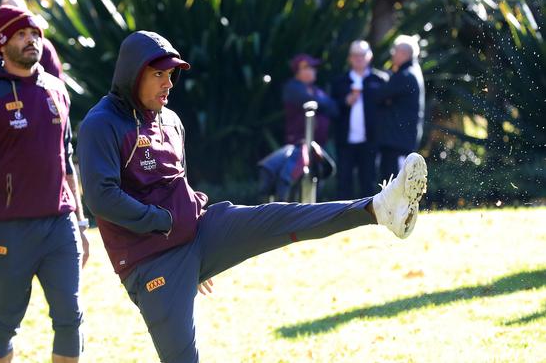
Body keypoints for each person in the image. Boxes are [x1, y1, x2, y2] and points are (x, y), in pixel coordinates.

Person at [77, 30, 428, 363]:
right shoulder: (102, 123)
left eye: (172, 74)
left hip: (198, 234)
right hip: (152, 260)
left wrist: (193, 241)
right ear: (134, 74)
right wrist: (163, 222)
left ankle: (379, 209)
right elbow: (101, 196)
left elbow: (176, 180)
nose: (169, 83)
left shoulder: (170, 120)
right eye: (160, 74)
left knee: (280, 217)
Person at [0, 5, 88, 363]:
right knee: (3, 325)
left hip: (60, 225)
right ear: (3, 42)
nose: (32, 41)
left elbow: (67, 157)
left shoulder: (56, 89)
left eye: (36, 35)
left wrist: (81, 221)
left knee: (70, 318)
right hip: (7, 230)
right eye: (22, 35)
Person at [332, 40, 388, 199]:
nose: (358, 59)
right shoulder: (340, 82)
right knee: (344, 181)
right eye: (355, 55)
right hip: (345, 141)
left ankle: (369, 217)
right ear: (349, 58)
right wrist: (345, 101)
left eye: (362, 55)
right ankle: (343, 218)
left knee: (369, 181)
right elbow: (331, 108)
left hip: (371, 140)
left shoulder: (380, 80)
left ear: (369, 56)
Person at [376, 34, 425, 181]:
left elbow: (379, 96)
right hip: (401, 138)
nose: (392, 55)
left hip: (397, 141)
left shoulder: (405, 75)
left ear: (403, 53)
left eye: (394, 51)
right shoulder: (412, 72)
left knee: (395, 182)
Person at [0, 0, 63, 79]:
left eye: (18, 11)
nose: (30, 40)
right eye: (8, 13)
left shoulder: (43, 46)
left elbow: (56, 79)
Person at [282, 53, 338, 147]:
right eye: (307, 67)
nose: (312, 70)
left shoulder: (316, 89)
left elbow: (334, 109)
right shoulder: (292, 87)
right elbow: (310, 101)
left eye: (312, 68)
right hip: (298, 145)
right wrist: (323, 102)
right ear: (298, 71)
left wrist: (322, 102)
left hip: (319, 145)